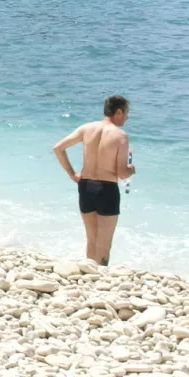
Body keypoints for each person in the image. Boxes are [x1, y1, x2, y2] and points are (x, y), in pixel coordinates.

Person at [52, 94, 135, 266]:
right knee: (104, 244)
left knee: (91, 239)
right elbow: (122, 173)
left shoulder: (86, 128)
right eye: (126, 113)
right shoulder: (120, 135)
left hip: (86, 187)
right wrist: (132, 169)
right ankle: (101, 277)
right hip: (107, 190)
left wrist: (72, 174)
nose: (127, 117)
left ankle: (88, 274)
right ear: (119, 112)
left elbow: (58, 148)